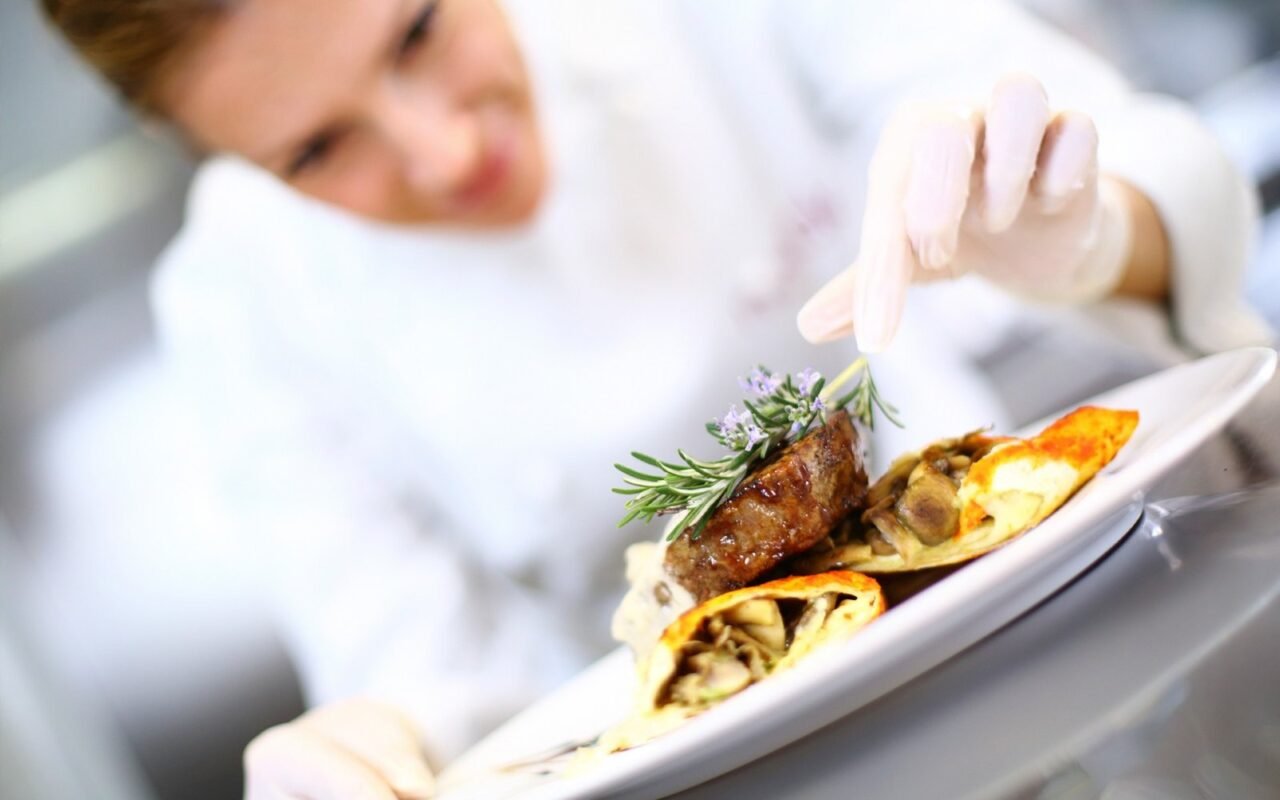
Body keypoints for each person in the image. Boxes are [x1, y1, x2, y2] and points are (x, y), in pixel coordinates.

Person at [40, 0, 1272, 796]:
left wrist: (1075, 232)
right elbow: (430, 685)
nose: (441, 153)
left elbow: (1147, 168)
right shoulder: (239, 299)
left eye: (416, 32)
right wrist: (365, 749)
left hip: (1048, 628)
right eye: (315, 152)